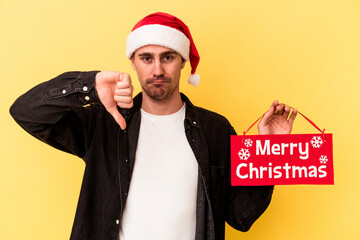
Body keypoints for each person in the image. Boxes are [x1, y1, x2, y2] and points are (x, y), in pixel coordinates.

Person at [10, 12, 297, 240]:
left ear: (182, 61)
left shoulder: (215, 130)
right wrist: (90, 85)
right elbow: (26, 111)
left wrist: (271, 153)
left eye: (167, 57)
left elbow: (241, 218)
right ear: (133, 62)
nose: (157, 70)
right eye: (147, 58)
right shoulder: (105, 123)